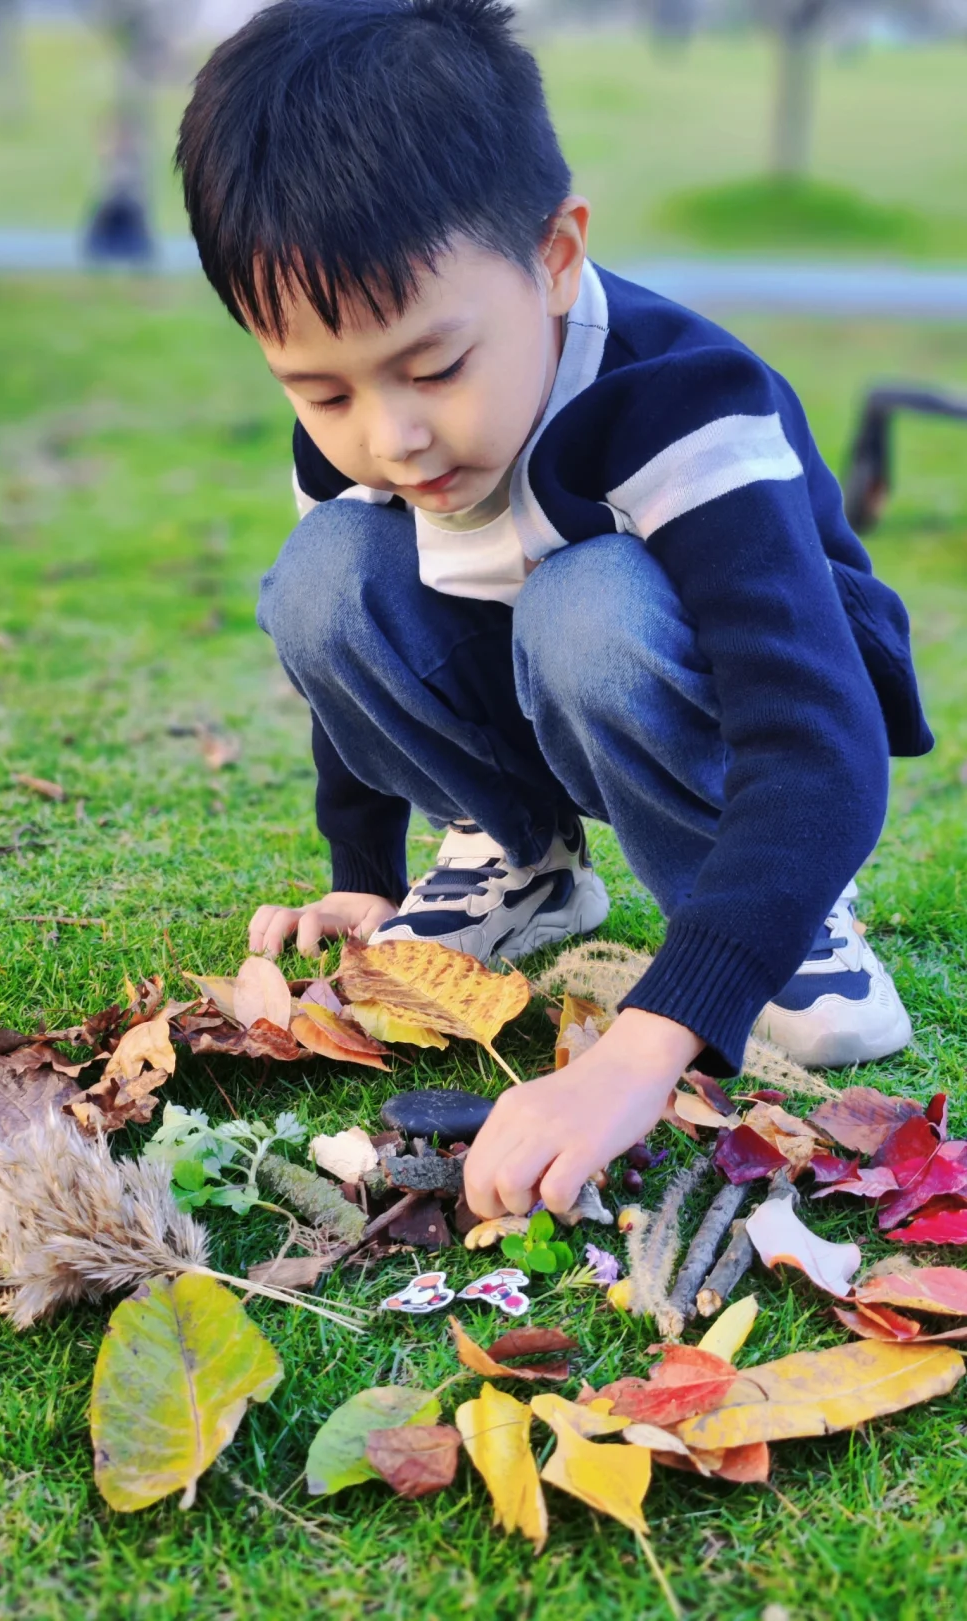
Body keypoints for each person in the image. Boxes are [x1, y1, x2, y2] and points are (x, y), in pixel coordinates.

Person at [176, 0, 930, 1220]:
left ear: (555, 256)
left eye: (434, 366)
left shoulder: (686, 408)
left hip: (732, 729)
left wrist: (644, 1048)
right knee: (319, 568)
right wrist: (360, 870)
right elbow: (341, 642)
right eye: (321, 388)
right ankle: (519, 858)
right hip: (527, 694)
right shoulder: (364, 441)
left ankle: (772, 925)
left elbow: (819, 740)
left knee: (590, 603)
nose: (393, 433)